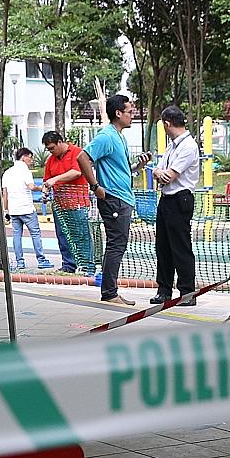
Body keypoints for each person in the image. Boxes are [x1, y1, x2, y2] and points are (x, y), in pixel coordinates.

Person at [78, 94, 149, 305]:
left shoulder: (119, 137)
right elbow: (83, 157)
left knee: (117, 244)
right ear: (118, 113)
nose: (132, 116)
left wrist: (138, 167)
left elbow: (122, 170)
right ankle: (109, 292)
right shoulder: (107, 136)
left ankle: (110, 290)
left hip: (122, 198)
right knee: (116, 245)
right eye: (129, 112)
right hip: (114, 199)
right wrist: (95, 186)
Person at [151, 105, 201, 306]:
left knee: (180, 247)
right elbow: (160, 172)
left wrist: (158, 173)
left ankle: (187, 292)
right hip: (166, 200)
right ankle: (164, 290)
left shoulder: (188, 146)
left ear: (167, 123)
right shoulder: (172, 146)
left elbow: (168, 176)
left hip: (180, 199)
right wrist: (158, 173)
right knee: (162, 247)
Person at [40, 131, 93, 277]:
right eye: (48, 149)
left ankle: (88, 266)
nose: (51, 151)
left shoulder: (77, 152)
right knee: (63, 236)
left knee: (81, 235)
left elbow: (76, 172)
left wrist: (55, 180)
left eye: (52, 147)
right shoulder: (51, 160)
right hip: (60, 205)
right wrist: (45, 191)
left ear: (59, 142)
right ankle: (68, 265)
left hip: (77, 204)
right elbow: (47, 181)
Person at [0, 146, 51, 271]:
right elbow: (32, 186)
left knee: (16, 235)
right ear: (24, 157)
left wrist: (6, 211)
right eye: (30, 158)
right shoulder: (25, 171)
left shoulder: (7, 172)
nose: (31, 161)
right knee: (35, 234)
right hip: (26, 208)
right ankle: (41, 259)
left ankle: (20, 262)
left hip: (13, 210)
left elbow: (5, 194)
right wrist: (42, 188)